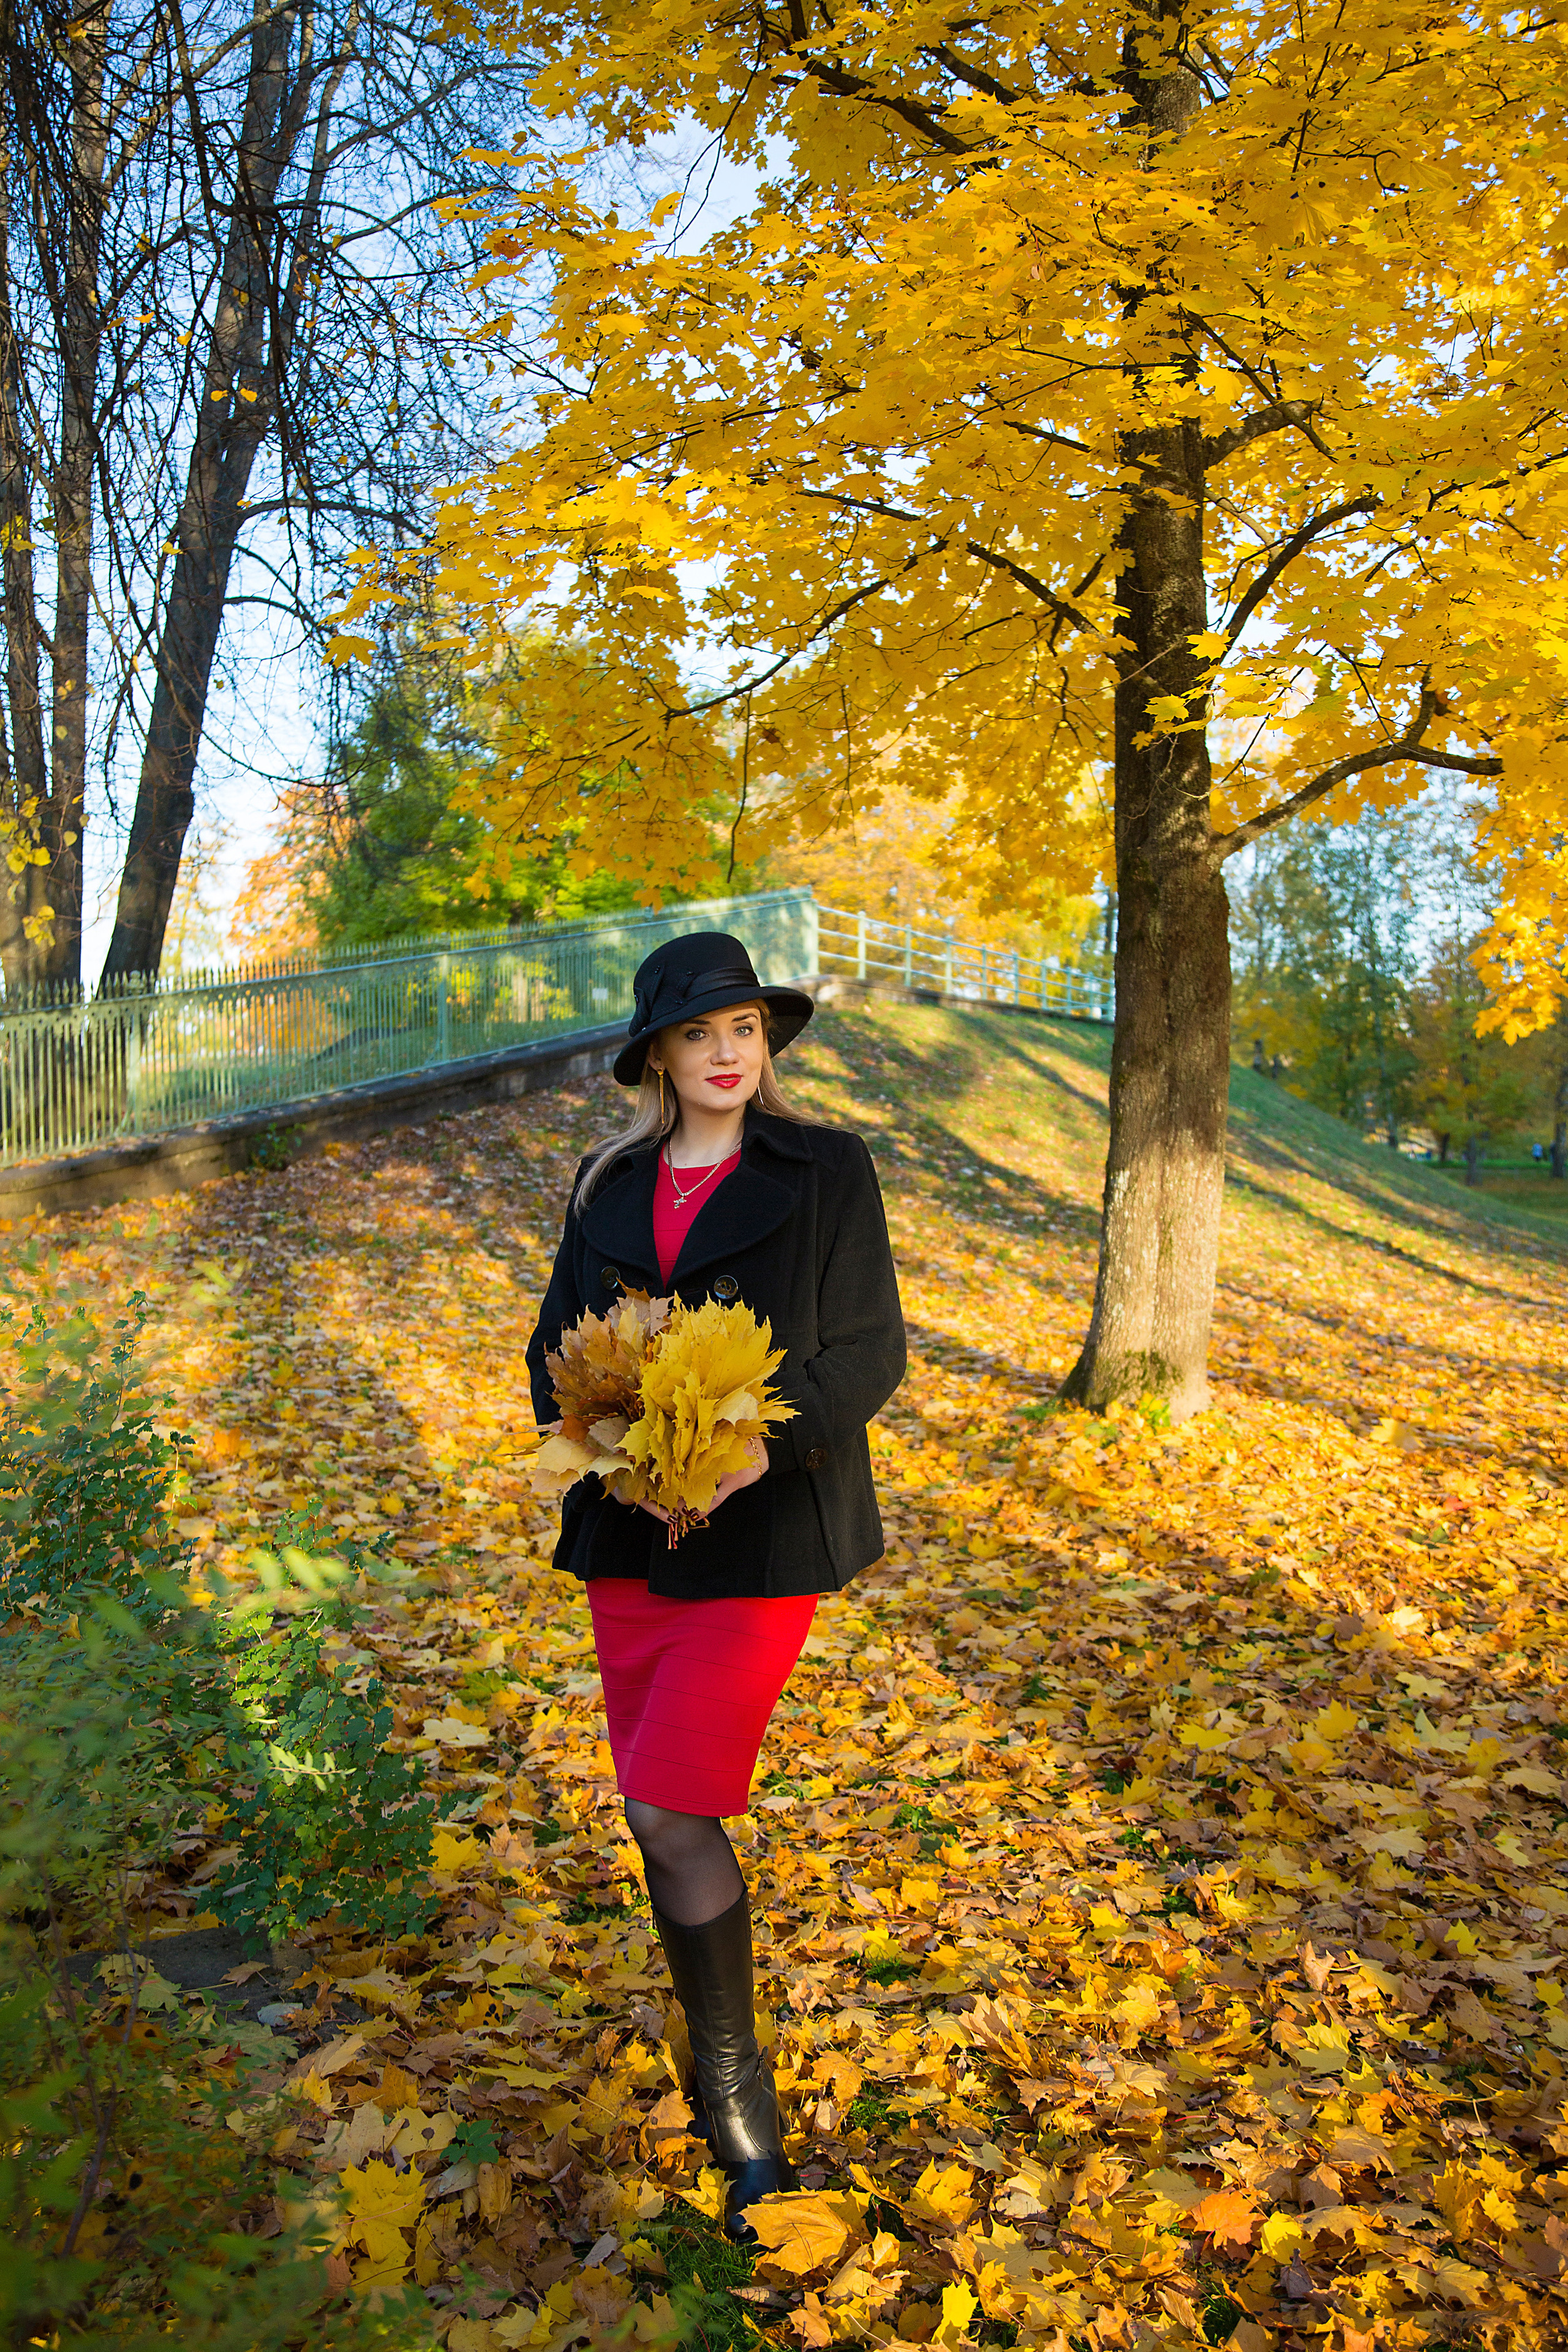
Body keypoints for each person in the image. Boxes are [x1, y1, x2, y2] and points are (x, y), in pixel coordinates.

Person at [526, 930, 907, 2238]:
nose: (726, 1053)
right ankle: (719, 2047)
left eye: (743, 1028)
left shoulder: (826, 1170)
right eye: (698, 1035)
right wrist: (608, 1443)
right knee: (650, 1815)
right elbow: (552, 1349)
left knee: (671, 1801)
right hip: (632, 1539)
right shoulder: (606, 1181)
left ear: (766, 1043)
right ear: (658, 1056)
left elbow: (868, 1355)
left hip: (761, 1538)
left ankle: (732, 2080)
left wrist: (755, 1445)